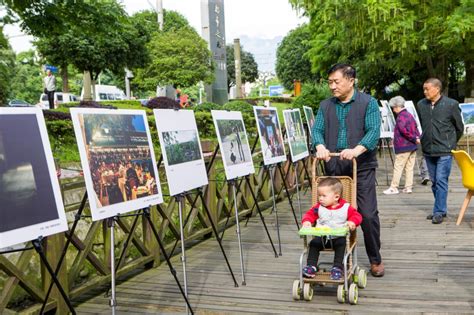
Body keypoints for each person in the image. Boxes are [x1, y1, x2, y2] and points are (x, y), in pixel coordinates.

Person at [312, 63, 384, 277]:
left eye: (336, 81)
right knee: (328, 213)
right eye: (330, 82)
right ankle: (332, 257)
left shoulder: (368, 103)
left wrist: (357, 150)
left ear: (351, 81)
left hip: (360, 167)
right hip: (333, 167)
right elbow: (317, 130)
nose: (332, 86)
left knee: (368, 215)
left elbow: (373, 131)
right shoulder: (325, 105)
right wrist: (320, 146)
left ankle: (375, 258)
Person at [416, 78, 464, 224]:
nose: (425, 91)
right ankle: (441, 209)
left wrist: (450, 143)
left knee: (441, 180)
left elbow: (459, 127)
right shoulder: (421, 105)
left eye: (427, 89)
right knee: (435, 181)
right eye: (423, 89)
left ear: (437, 89)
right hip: (428, 149)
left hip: (445, 150)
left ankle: (438, 211)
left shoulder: (451, 104)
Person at [301, 178, 362, 280]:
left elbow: (357, 216)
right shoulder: (318, 207)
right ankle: (311, 266)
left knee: (342, 244)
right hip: (322, 237)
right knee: (313, 244)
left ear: (336, 197)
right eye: (319, 195)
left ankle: (337, 267)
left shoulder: (346, 208)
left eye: (324, 196)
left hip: (338, 237)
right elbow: (310, 214)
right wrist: (307, 221)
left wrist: (352, 222)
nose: (320, 198)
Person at [383, 96, 420, 195]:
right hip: (412, 146)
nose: (393, 110)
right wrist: (417, 138)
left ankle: (394, 187)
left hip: (403, 146)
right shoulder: (410, 115)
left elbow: (404, 131)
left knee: (398, 167)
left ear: (397, 106)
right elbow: (416, 127)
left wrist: (413, 138)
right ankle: (408, 187)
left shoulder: (401, 117)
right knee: (409, 167)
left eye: (394, 108)